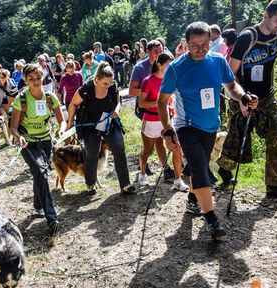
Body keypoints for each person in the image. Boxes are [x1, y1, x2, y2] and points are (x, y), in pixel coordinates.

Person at [157, 21, 258, 240]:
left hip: (210, 127)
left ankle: (193, 200)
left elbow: (231, 87)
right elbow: (162, 100)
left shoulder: (218, 61)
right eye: (195, 44)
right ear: (186, 43)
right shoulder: (176, 68)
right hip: (187, 126)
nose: (201, 48)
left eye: (205, 43)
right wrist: (167, 129)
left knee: (198, 166)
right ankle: (212, 219)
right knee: (201, 168)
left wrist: (243, 96)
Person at [217, 0, 277, 200]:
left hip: (266, 98)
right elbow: (230, 73)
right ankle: (224, 168)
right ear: (265, 16)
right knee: (238, 140)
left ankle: (274, 187)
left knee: (276, 134)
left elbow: (271, 64)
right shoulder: (247, 38)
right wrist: (241, 98)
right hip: (244, 97)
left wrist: (270, 88)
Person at [9, 63, 67, 242]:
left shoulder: (50, 98)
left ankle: (37, 203)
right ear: (25, 80)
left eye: (38, 78)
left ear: (43, 78)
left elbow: (62, 121)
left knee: (39, 173)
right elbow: (13, 128)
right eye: (31, 79)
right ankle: (51, 219)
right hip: (28, 143)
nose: (35, 82)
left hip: (46, 140)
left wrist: (61, 130)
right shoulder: (21, 99)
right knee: (41, 174)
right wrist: (19, 138)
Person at [66, 62, 137, 195]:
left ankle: (125, 184)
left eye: (110, 83)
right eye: (105, 83)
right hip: (90, 126)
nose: (108, 86)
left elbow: (118, 102)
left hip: (109, 123)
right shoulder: (86, 89)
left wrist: (116, 111)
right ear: (97, 79)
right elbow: (73, 104)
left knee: (119, 148)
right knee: (92, 154)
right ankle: (90, 184)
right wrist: (70, 123)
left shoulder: (112, 86)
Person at [138, 53, 189, 191]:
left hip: (168, 119)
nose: (171, 68)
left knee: (176, 146)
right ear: (159, 65)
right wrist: (161, 102)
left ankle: (178, 180)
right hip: (151, 119)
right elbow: (141, 103)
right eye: (168, 65)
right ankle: (142, 173)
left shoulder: (172, 78)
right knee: (147, 150)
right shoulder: (148, 81)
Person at [129, 40, 175, 178]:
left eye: (161, 50)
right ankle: (143, 166)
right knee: (150, 143)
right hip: (145, 109)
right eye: (156, 51)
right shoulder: (140, 68)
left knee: (160, 140)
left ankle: (165, 168)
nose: (159, 53)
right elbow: (131, 91)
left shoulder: (166, 66)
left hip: (162, 109)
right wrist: (154, 96)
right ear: (148, 52)